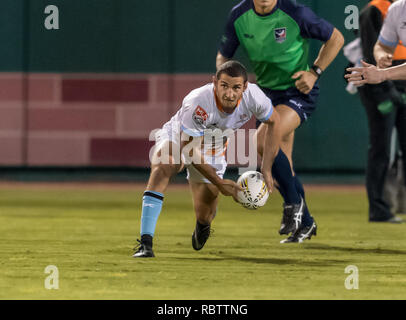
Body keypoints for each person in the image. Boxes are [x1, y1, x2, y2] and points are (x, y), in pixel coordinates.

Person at [217, 0, 344, 242]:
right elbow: (223, 58)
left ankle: (293, 206)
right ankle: (305, 223)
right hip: (265, 96)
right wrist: (226, 88)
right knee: (283, 165)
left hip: (297, 92)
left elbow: (336, 37)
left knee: (263, 141)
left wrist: (314, 72)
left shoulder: (295, 12)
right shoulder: (239, 15)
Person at [133, 61, 281, 258]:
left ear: (244, 87)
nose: (229, 93)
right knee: (164, 164)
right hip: (180, 138)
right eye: (224, 86)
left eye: (236, 87)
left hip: (213, 148)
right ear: (215, 83)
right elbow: (189, 149)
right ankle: (145, 243)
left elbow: (275, 122)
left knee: (206, 214)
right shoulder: (199, 101)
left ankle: (202, 225)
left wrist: (267, 168)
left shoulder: (254, 96)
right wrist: (219, 182)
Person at [348, 0, 406, 223]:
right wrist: (383, 80)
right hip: (382, 89)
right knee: (380, 148)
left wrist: (386, 76)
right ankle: (379, 207)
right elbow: (378, 46)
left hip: (396, 81)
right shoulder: (387, 9)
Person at [346, 0, 406, 85]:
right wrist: (381, 55)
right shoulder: (396, 8)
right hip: (389, 81)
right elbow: (383, 46)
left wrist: (384, 74)